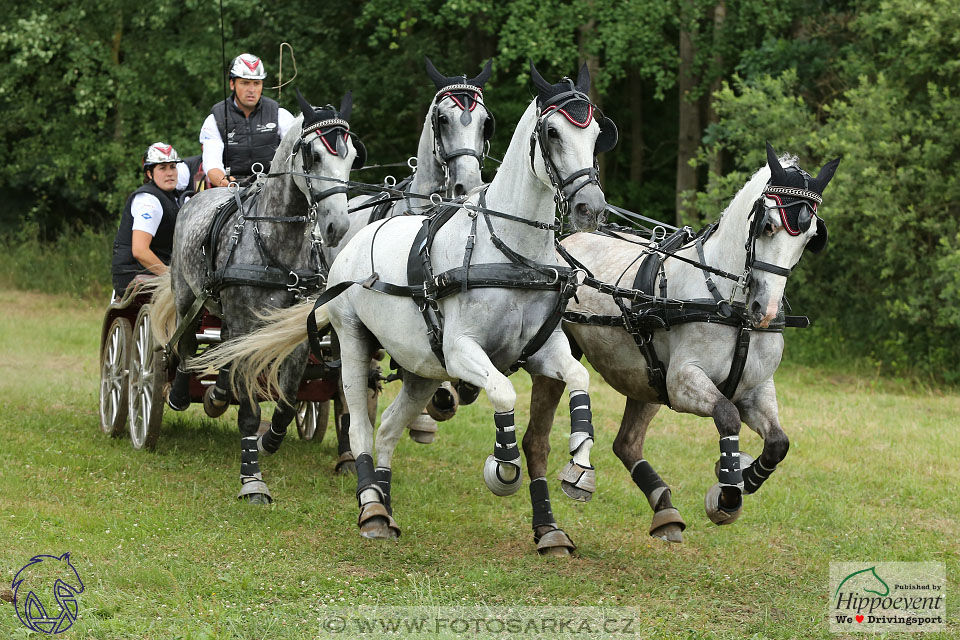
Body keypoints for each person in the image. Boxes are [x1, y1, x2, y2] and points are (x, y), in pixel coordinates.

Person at [199, 53, 295, 187]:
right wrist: (225, 182)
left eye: (256, 83)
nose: (252, 90)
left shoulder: (281, 115)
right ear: (232, 84)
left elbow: (294, 156)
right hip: (231, 188)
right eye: (245, 83)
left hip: (273, 187)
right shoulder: (215, 119)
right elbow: (212, 163)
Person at [111, 142, 190, 297]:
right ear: (149, 173)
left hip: (156, 269)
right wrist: (171, 277)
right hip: (134, 272)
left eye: (173, 167)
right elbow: (140, 251)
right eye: (162, 168)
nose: (169, 173)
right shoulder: (148, 201)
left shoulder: (176, 198)